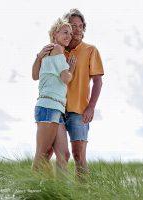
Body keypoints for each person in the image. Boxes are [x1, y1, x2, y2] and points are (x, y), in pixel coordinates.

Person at [33, 9, 104, 180]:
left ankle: (82, 193)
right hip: (56, 109)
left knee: (78, 155)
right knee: (50, 153)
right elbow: (40, 76)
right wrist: (39, 56)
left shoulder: (90, 50)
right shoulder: (57, 49)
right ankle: (50, 191)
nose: (77, 30)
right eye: (73, 27)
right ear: (62, 29)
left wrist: (91, 107)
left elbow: (98, 81)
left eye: (80, 26)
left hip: (79, 110)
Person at [31, 18, 76, 172]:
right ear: (55, 34)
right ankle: (31, 192)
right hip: (48, 107)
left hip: (56, 108)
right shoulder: (57, 49)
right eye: (65, 32)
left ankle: (59, 193)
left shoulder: (49, 51)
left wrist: (38, 57)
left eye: (70, 33)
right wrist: (71, 68)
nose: (69, 36)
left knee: (63, 155)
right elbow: (65, 78)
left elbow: (35, 75)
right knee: (42, 156)